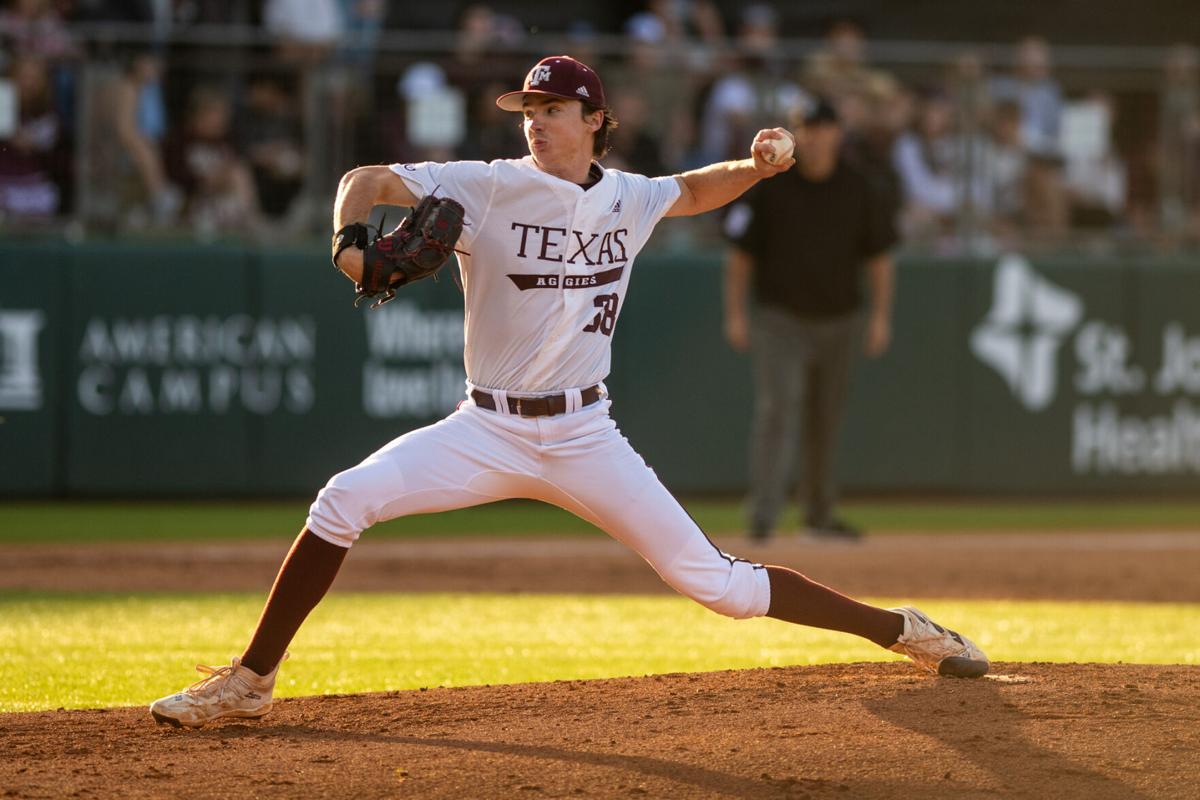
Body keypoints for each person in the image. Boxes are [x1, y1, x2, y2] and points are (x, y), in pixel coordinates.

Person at [149, 56, 987, 729]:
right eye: (528, 108)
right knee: (341, 501)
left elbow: (694, 189)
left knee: (722, 588)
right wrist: (349, 246)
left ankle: (903, 629)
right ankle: (251, 683)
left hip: (586, 435)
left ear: (595, 122)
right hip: (486, 430)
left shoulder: (628, 196)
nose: (535, 119)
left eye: (552, 108)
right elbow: (366, 178)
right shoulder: (482, 182)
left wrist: (760, 166)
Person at [723, 98, 896, 544]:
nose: (817, 136)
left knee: (825, 418)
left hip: (840, 319)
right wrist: (736, 313)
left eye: (823, 127)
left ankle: (819, 516)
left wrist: (880, 316)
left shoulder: (859, 186)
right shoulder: (771, 186)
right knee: (778, 411)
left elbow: (879, 258)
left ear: (838, 133)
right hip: (781, 319)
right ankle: (763, 515)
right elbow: (740, 255)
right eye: (808, 128)